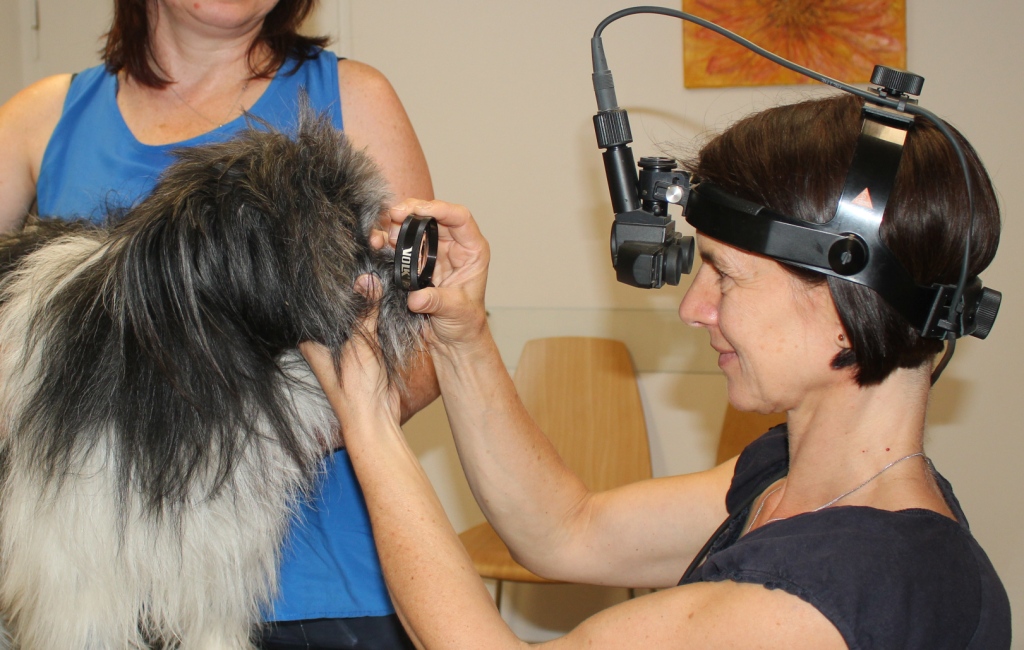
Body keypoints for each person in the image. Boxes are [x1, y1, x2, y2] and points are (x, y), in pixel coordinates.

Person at [302, 93, 1011, 648]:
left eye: (725, 277)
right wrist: (461, 336)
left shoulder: (840, 592)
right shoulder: (793, 480)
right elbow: (565, 529)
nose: (694, 309)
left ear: (843, 304)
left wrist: (366, 417)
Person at [0, 1, 434, 647]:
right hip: (82, 576)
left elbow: (421, 347)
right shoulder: (40, 114)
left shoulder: (352, 94)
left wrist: (228, 443)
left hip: (321, 582)